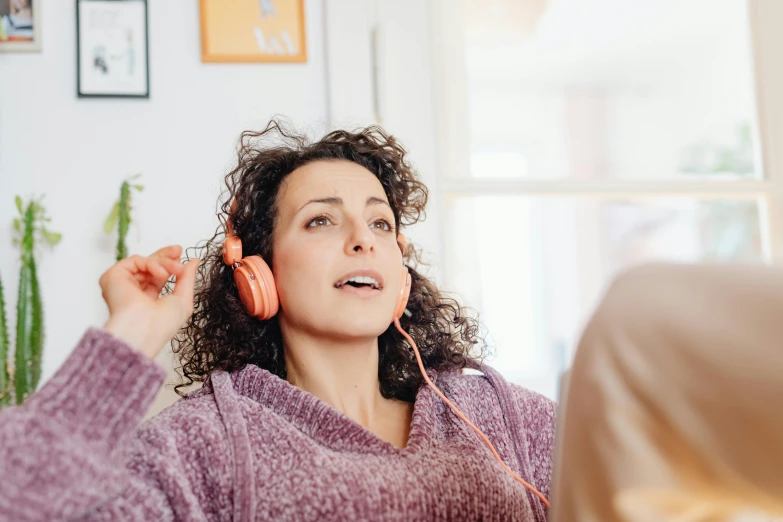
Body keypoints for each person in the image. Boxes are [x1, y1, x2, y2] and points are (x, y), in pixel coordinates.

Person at [0, 121, 556, 521]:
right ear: (258, 275)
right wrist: (132, 335)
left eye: (381, 224)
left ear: (401, 275)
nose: (363, 239)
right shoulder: (204, 442)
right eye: (321, 221)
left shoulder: (490, 415)